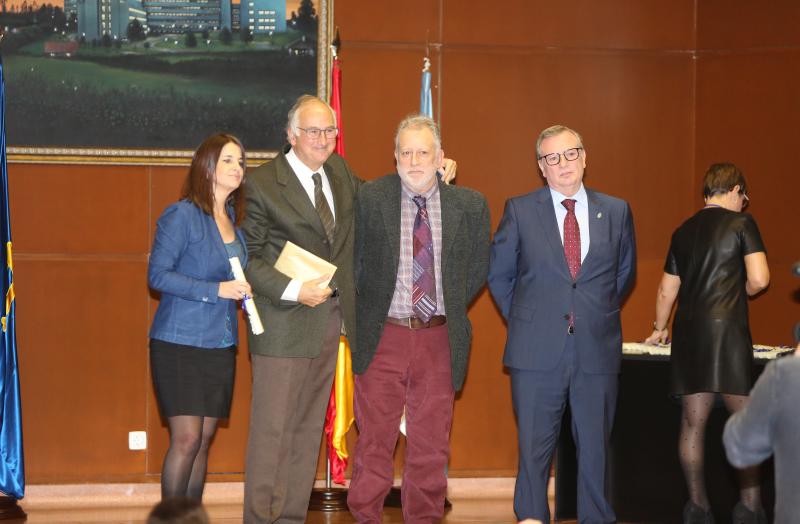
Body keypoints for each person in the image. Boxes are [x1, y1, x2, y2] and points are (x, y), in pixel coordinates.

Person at [240, 96, 456, 523]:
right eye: (313, 131)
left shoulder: (338, 171)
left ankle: (289, 518)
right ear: (291, 135)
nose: (323, 139)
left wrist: (434, 175)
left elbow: (385, 195)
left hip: (329, 324)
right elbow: (248, 258)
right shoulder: (263, 183)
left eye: (329, 131)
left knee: (305, 435)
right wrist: (293, 289)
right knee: (272, 434)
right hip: (283, 325)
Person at [488, 124, 636, 523]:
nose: (563, 164)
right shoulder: (519, 210)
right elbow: (499, 276)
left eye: (570, 154)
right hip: (535, 350)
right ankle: (532, 517)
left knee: (595, 448)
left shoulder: (617, 210)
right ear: (541, 167)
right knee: (534, 448)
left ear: (584, 157)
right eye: (552, 158)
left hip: (596, 348)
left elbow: (623, 276)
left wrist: (592, 313)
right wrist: (528, 319)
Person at [346, 115, 490, 523]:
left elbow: (477, 267)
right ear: (394, 158)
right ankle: (365, 517)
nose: (414, 160)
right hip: (383, 336)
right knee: (375, 441)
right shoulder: (371, 198)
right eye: (405, 152)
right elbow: (355, 264)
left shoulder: (470, 204)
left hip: (438, 339)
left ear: (440, 156)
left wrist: (445, 303)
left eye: (422, 152)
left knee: (430, 445)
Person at [643, 162, 770, 524]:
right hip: (728, 333)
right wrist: (739, 291)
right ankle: (749, 508)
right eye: (743, 197)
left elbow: (667, 287)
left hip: (689, 335)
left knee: (692, 423)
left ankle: (697, 509)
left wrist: (659, 327)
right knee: (746, 423)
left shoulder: (682, 231)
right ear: (734, 190)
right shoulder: (742, 224)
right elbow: (760, 279)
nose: (744, 204)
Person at [148, 134, 251, 501]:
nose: (237, 167)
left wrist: (243, 289)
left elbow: (235, 276)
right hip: (180, 342)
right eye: (227, 160)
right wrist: (217, 290)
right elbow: (158, 275)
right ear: (206, 166)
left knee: (204, 440)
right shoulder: (182, 215)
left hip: (220, 344)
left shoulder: (235, 225)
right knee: (187, 438)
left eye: (240, 161)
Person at [723, 345, 800, 524]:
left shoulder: (785, 374)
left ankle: (747, 508)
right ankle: (750, 507)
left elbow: (739, 448)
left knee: (692, 424)